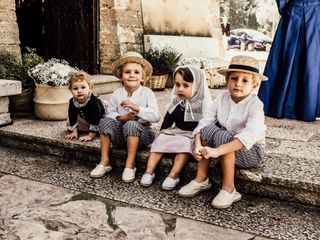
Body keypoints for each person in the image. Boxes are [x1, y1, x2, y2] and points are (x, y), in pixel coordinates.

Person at [178, 55, 267, 209]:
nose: (238, 84)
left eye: (245, 80)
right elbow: (205, 122)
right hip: (224, 146)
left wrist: (217, 151)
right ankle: (201, 179)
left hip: (250, 151)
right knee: (208, 130)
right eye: (234, 78)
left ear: (254, 84)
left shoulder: (255, 105)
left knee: (223, 135)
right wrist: (198, 145)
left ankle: (229, 189)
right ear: (227, 80)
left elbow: (249, 135)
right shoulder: (222, 97)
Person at [90, 51, 161, 182]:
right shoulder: (117, 93)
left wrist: (137, 108)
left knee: (131, 124)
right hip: (121, 136)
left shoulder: (147, 93)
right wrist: (121, 118)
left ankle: (130, 165)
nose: (132, 75)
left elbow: (156, 116)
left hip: (142, 136)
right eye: (127, 72)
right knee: (104, 121)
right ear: (121, 76)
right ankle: (104, 162)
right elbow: (110, 112)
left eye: (136, 72)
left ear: (143, 78)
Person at [140, 65, 213, 190]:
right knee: (161, 138)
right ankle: (149, 171)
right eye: (177, 85)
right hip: (177, 131)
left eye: (185, 85)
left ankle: (173, 175)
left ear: (197, 86)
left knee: (185, 143)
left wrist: (199, 143)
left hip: (192, 135)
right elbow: (168, 119)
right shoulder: (176, 102)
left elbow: (206, 125)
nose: (180, 89)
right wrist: (162, 132)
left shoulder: (203, 105)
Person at [258, 0, 320, 121]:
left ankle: (279, 105)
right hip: (316, 12)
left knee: (286, 57)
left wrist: (286, 8)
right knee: (313, 60)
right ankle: (309, 107)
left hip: (294, 10)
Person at [65, 71, 106, 142]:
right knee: (71, 119)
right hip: (85, 117)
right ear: (71, 90)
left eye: (83, 87)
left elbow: (95, 118)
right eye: (75, 89)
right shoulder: (72, 101)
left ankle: (93, 130)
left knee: (104, 128)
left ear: (90, 87)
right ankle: (83, 128)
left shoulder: (93, 102)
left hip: (99, 117)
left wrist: (90, 135)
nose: (79, 91)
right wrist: (74, 131)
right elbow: (72, 115)